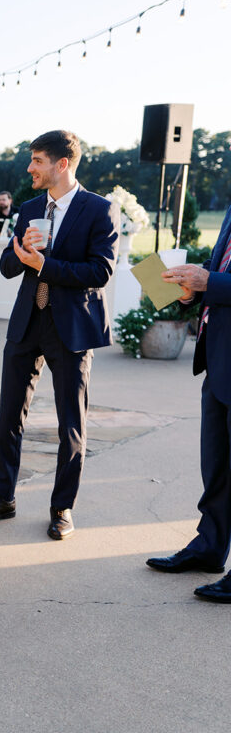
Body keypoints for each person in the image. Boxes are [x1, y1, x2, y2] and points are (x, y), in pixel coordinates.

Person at [0, 130, 118, 540]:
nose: (30, 168)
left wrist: (45, 264)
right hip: (26, 323)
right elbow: (6, 265)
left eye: (37, 160)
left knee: (71, 423)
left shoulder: (100, 210)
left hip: (71, 328)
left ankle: (62, 508)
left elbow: (101, 272)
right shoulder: (31, 207)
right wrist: (19, 255)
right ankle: (3, 498)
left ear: (61, 164)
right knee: (8, 417)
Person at [148, 203, 231, 602]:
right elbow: (220, 270)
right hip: (218, 361)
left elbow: (218, 279)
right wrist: (188, 290)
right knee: (215, 467)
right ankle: (209, 548)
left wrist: (208, 281)